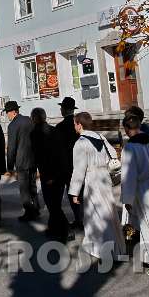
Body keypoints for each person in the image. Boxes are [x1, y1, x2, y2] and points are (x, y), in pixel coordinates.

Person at [68, 111, 125, 262]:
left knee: (96, 214)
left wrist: (74, 192)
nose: (74, 126)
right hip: (105, 177)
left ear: (79, 124)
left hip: (92, 179)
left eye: (75, 123)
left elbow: (79, 169)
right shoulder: (100, 137)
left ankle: (103, 250)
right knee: (107, 211)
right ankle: (114, 246)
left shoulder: (80, 143)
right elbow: (112, 153)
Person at [120, 114, 149, 279]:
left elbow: (128, 175)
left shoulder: (130, 148)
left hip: (143, 189)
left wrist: (127, 199)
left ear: (126, 129)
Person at [32, 107, 70, 243]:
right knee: (55, 202)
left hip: (49, 173)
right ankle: (53, 227)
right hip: (61, 171)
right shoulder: (55, 130)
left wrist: (48, 176)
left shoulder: (36, 133)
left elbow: (42, 157)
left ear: (34, 119)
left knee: (52, 203)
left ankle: (65, 230)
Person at [5, 100, 40, 222]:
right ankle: (36, 208)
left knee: (24, 189)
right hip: (33, 159)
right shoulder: (29, 121)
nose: (7, 115)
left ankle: (29, 212)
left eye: (7, 112)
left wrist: (9, 166)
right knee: (32, 185)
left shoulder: (13, 126)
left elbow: (11, 148)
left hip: (21, 162)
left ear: (13, 112)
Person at [55, 97, 83, 231]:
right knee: (82, 192)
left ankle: (79, 219)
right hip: (81, 163)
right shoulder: (78, 124)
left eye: (61, 108)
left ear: (65, 109)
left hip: (67, 166)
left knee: (73, 193)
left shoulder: (60, 127)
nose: (60, 109)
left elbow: (57, 149)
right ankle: (85, 218)